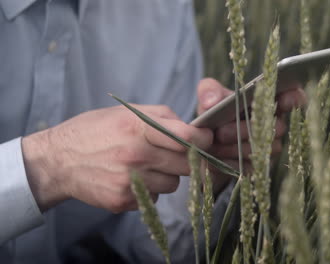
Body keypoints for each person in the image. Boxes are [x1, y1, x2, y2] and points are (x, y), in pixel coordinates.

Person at [0, 0, 306, 263]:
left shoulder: (163, 10)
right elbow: (53, 165)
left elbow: (147, 241)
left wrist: (205, 175)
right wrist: (49, 165)